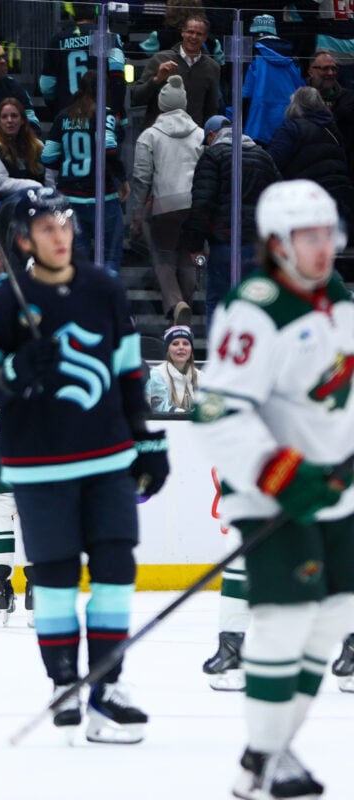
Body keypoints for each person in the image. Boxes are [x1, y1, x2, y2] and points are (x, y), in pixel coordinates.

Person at [0, 187, 169, 744]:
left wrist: (146, 438)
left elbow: (128, 371)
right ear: (25, 240)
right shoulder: (1, 301)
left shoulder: (102, 287)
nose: (61, 236)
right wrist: (16, 370)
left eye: (66, 226)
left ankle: (108, 685)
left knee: (116, 569)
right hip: (38, 462)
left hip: (107, 457)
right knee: (54, 576)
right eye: (48, 229)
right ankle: (63, 682)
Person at [192, 179, 354, 799]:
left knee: (333, 617)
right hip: (273, 496)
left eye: (326, 235)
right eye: (306, 237)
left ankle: (270, 754)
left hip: (334, 491)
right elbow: (219, 414)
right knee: (284, 623)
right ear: (277, 243)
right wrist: (285, 475)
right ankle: (266, 755)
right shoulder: (252, 309)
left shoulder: (335, 296)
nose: (321, 249)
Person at [182, 116, 280, 325]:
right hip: (257, 245)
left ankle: (219, 355)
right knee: (256, 305)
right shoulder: (263, 156)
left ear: (211, 135)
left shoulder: (213, 156)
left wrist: (195, 245)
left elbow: (202, 203)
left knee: (218, 302)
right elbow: (278, 198)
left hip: (225, 243)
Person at [129, 75, 204, 326]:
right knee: (187, 255)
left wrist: (137, 213)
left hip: (165, 206)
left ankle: (174, 304)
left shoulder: (150, 135)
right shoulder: (201, 135)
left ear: (161, 104)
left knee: (163, 256)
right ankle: (186, 316)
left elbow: (141, 178)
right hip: (194, 205)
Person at [41, 72, 128, 274]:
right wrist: (122, 178)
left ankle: (80, 304)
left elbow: (47, 157)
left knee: (77, 262)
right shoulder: (104, 114)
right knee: (110, 258)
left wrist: (65, 168)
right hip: (102, 197)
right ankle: (106, 304)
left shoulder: (64, 116)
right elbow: (109, 148)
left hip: (69, 199)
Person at [266, 86, 354, 223]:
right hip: (338, 196)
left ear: (294, 104)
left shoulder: (290, 129)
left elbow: (272, 162)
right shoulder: (333, 129)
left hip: (305, 197)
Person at [40, 4, 128, 126]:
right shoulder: (104, 36)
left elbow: (46, 86)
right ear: (95, 12)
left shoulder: (57, 40)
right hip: (101, 115)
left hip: (69, 116)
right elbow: (117, 77)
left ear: (72, 14)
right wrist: (116, 110)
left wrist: (58, 109)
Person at [131, 13, 220, 131]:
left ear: (205, 37)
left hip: (192, 138)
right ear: (182, 32)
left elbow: (211, 109)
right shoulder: (160, 59)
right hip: (159, 135)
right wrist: (157, 79)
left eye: (199, 34)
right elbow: (136, 97)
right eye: (190, 32)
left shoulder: (212, 67)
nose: (193, 37)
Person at [241, 15, 303, 146]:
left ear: (253, 35)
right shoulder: (293, 57)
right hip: (289, 123)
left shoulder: (253, 56)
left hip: (258, 126)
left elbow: (246, 94)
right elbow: (300, 88)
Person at [0, 97, 49, 202]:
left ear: (22, 120)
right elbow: (1, 185)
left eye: (14, 116)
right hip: (3, 200)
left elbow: (49, 180)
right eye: (4, 117)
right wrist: (36, 186)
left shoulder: (37, 145)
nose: (9, 120)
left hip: (35, 197)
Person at [306, 51, 354, 170]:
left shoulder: (349, 99)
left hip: (343, 167)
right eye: (325, 68)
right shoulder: (299, 99)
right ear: (311, 71)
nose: (331, 73)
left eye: (334, 69)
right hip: (311, 167)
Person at [145, 325, 198, 414]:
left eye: (185, 343)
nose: (181, 347)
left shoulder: (201, 376)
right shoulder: (157, 375)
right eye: (175, 344)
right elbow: (159, 408)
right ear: (168, 349)